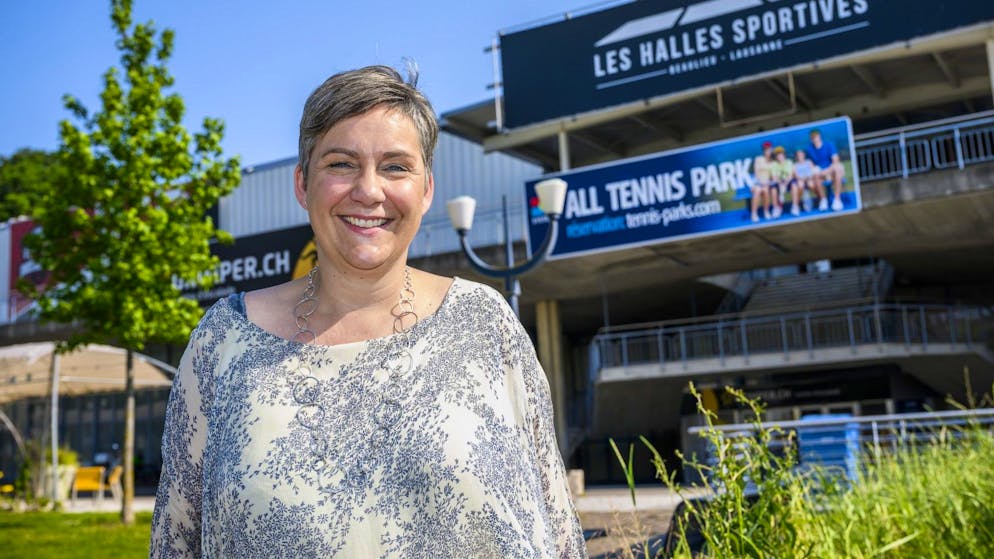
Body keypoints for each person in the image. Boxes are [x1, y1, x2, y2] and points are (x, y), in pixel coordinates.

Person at [150, 65, 587, 558]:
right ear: (302, 184)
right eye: (340, 164)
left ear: (425, 190)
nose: (369, 190)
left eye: (396, 166)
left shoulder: (484, 326)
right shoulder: (224, 342)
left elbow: (557, 524)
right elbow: (176, 541)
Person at [805, 129, 846, 211]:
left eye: (815, 136)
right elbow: (811, 164)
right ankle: (823, 200)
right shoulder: (809, 149)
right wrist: (816, 171)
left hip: (831, 170)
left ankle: (837, 200)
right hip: (820, 173)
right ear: (810, 139)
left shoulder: (829, 145)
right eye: (812, 137)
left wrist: (827, 171)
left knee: (837, 169)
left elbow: (835, 160)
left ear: (819, 136)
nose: (814, 139)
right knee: (814, 175)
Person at [751, 141, 773, 222]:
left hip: (767, 184)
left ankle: (766, 211)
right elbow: (756, 173)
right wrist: (760, 182)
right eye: (766, 150)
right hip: (757, 182)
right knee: (758, 190)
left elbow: (772, 176)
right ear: (763, 151)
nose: (767, 151)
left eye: (769, 149)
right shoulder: (758, 159)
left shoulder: (772, 162)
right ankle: (754, 213)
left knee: (766, 190)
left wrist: (768, 182)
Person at [769, 146, 794, 218]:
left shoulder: (789, 162)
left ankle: (795, 206)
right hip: (779, 184)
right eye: (778, 154)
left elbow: (790, 175)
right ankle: (776, 208)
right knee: (773, 189)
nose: (780, 156)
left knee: (794, 185)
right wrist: (781, 184)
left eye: (781, 154)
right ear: (776, 156)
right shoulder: (774, 164)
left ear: (784, 154)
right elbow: (774, 177)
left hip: (788, 182)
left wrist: (785, 184)